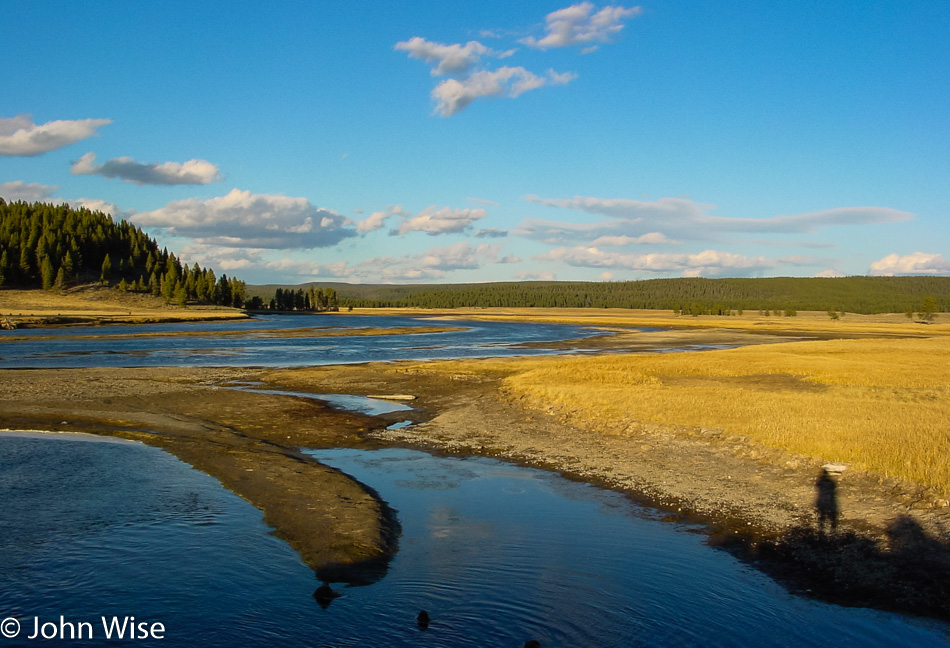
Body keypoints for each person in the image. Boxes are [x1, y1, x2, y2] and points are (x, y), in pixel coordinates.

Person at [815, 469, 839, 534]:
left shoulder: (820, 482)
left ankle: (821, 530)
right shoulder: (831, 482)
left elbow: (817, 486)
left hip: (822, 501)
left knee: (822, 516)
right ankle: (833, 530)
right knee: (832, 517)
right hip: (831, 501)